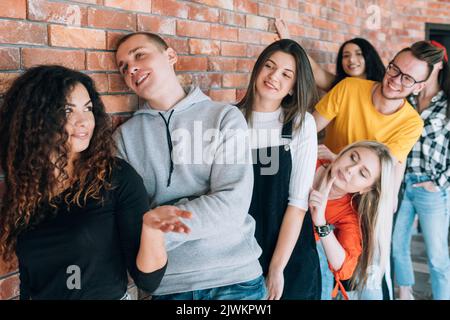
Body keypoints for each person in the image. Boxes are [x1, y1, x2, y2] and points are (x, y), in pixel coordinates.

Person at [0, 65, 191, 300]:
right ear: (37, 118)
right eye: (67, 110)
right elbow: (31, 280)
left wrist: (151, 231)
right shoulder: (26, 187)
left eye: (87, 108)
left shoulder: (116, 178)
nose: (83, 121)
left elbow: (148, 281)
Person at [114, 32, 265, 300]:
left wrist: (156, 228)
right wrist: (153, 225)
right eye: (123, 67)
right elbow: (130, 221)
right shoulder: (123, 138)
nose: (131, 68)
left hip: (236, 281)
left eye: (139, 55)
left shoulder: (224, 117)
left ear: (171, 56)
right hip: (168, 287)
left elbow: (232, 205)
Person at [237, 39, 320, 299]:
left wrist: (276, 269)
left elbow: (297, 204)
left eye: (286, 74)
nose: (274, 76)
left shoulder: (299, 124)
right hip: (239, 250)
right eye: (269, 66)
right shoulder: (229, 119)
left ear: (294, 86)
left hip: (289, 253)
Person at [392, 40, 450, 300]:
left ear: (438, 65)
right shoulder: (407, 97)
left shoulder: (447, 103)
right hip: (402, 184)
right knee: (396, 246)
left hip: (431, 189)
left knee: (437, 256)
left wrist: (439, 183)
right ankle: (405, 293)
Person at [309, 141, 394, 300]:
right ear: (342, 153)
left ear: (366, 189)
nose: (350, 169)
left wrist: (320, 223)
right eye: (352, 157)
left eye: (363, 173)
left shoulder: (348, 214)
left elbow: (345, 268)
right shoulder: (309, 158)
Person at [275, 19, 385, 92]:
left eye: (358, 54)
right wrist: (288, 41)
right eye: (346, 55)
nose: (351, 59)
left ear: (369, 56)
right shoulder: (338, 85)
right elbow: (314, 69)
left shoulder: (383, 88)